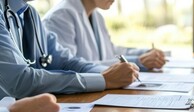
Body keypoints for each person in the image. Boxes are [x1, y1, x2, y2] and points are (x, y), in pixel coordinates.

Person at [0, 0, 139, 99]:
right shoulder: (61, 13)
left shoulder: (30, 14)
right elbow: (19, 81)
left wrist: (109, 74)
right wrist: (102, 79)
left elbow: (66, 61)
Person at [43, 0, 166, 70]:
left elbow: (111, 51)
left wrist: (144, 53)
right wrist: (138, 62)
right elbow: (69, 67)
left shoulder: (96, 16)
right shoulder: (61, 16)